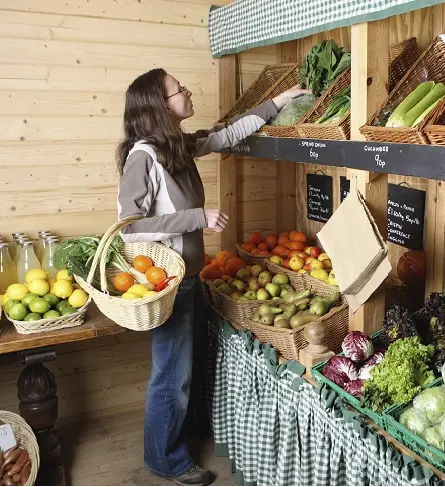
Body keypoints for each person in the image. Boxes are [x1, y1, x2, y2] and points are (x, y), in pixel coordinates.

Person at [115, 68, 309, 486]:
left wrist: (277, 103)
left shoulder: (175, 146)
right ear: (158, 106)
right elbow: (130, 226)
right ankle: (166, 460)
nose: (187, 91)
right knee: (172, 374)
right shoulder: (142, 157)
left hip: (189, 275)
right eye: (178, 89)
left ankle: (180, 437)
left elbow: (223, 135)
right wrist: (197, 217)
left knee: (186, 366)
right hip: (166, 283)